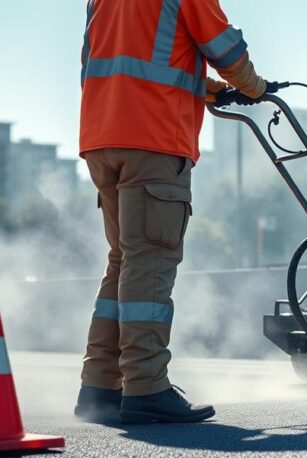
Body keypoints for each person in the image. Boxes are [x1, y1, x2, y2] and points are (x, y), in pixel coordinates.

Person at [73, 0, 268, 424]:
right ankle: (146, 387)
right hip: (154, 139)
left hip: (102, 137)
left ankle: (100, 386)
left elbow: (129, 62)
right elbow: (225, 49)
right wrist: (255, 87)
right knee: (152, 261)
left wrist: (209, 89)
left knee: (124, 260)